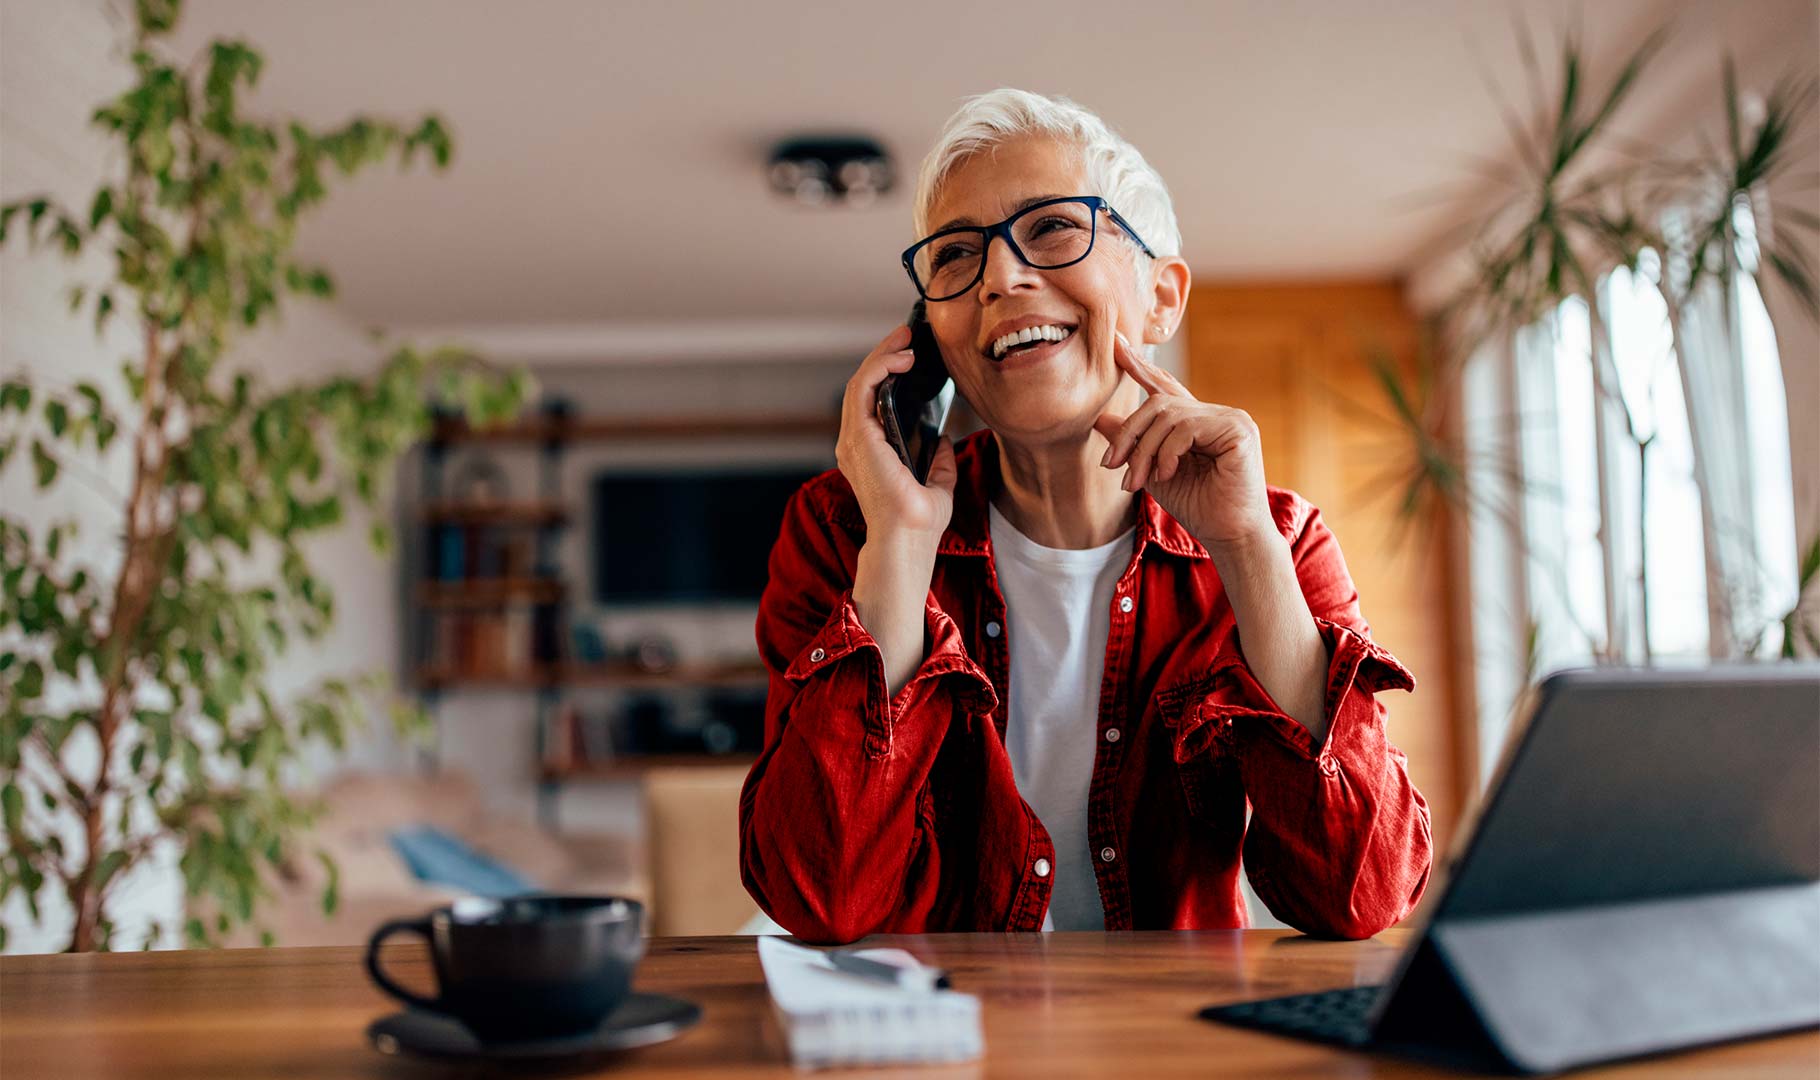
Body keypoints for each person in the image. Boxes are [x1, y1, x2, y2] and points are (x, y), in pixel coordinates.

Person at [739, 88, 1431, 943]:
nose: (1000, 277)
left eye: (1055, 228)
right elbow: (823, 899)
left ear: (1162, 297)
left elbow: (1359, 895)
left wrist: (1246, 547)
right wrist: (900, 547)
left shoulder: (1279, 537)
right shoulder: (846, 531)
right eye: (956, 255)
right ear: (934, 337)